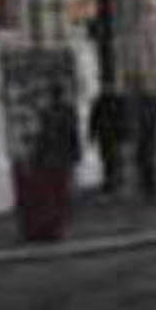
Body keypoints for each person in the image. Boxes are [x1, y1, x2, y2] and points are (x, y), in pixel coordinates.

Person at [33, 82, 82, 241]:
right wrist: (76, 153)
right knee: (61, 193)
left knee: (56, 193)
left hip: (54, 158)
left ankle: (58, 226)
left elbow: (42, 137)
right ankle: (60, 226)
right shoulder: (66, 111)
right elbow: (72, 134)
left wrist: (38, 156)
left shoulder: (49, 112)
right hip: (60, 157)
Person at [87, 87, 131, 193]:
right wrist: (91, 135)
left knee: (114, 158)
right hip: (106, 136)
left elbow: (124, 118)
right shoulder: (101, 102)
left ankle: (114, 180)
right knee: (108, 159)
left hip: (113, 135)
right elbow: (93, 120)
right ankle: (111, 181)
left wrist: (126, 133)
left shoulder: (116, 101)